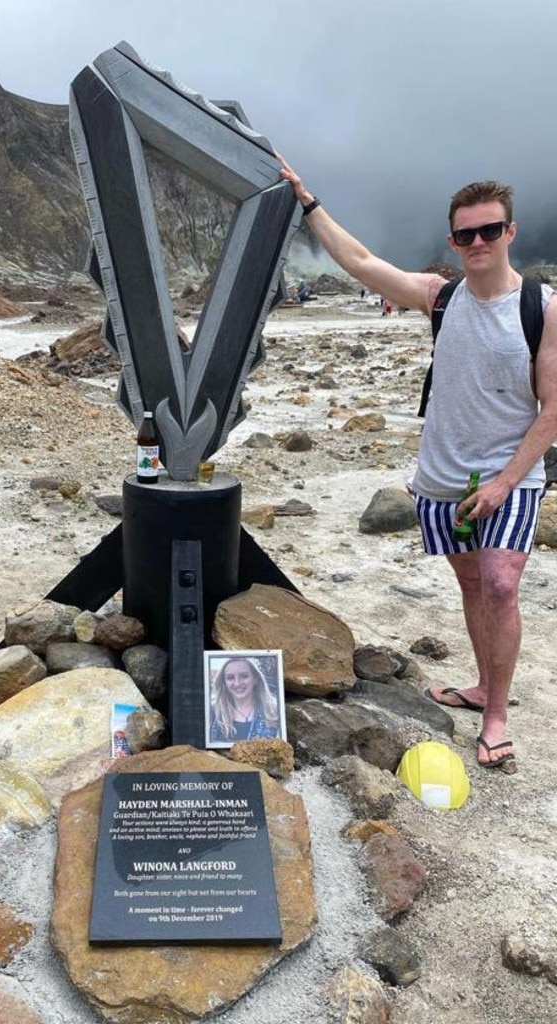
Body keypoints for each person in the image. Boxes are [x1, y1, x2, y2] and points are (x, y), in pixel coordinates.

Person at [278, 156, 557, 770]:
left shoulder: (543, 307)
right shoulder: (440, 297)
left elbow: (552, 411)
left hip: (509, 478)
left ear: (510, 231)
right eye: (466, 234)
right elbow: (361, 263)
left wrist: (507, 481)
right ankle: (483, 682)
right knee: (470, 583)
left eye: (490, 230)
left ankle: (496, 713)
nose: (478, 243)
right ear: (453, 240)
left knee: (502, 585)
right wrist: (307, 202)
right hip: (442, 479)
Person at [209, 657, 280, 743]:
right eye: (230, 678)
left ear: (255, 679)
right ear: (224, 682)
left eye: (244, 676)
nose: (237, 683)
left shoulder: (275, 711)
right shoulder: (212, 712)